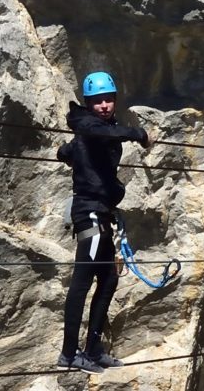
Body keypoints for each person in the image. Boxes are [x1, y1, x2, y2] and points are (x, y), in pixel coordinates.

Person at [56, 71, 148, 372]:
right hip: (89, 213)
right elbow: (97, 133)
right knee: (81, 283)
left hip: (102, 213)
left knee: (108, 280)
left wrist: (67, 153)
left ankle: (93, 348)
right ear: (88, 103)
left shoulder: (95, 131)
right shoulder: (87, 124)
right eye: (98, 101)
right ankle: (70, 353)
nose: (105, 105)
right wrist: (138, 134)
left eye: (109, 99)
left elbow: (73, 149)